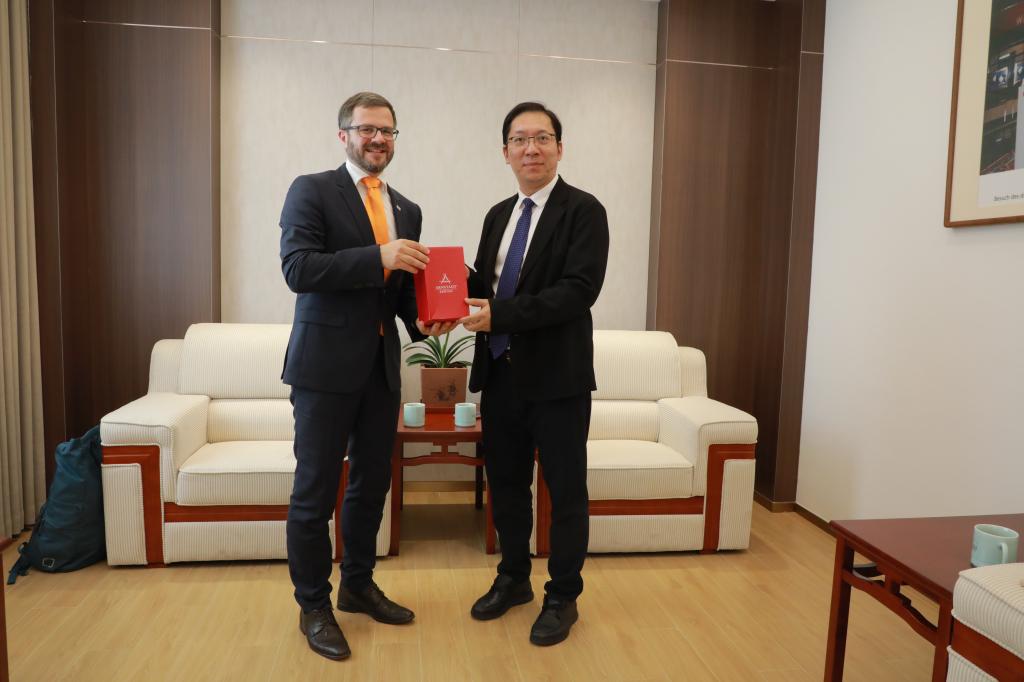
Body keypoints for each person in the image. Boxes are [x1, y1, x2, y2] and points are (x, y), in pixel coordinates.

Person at [279, 91, 455, 661]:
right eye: (367, 129)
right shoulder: (311, 190)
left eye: (387, 131)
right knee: (314, 492)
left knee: (372, 484)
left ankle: (357, 584)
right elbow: (298, 268)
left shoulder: (407, 208)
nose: (378, 138)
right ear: (344, 136)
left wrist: (425, 320)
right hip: (323, 368)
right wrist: (379, 255)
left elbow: (398, 294)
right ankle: (313, 605)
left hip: (380, 369)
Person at [460, 101, 610, 646]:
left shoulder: (584, 211)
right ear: (505, 152)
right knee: (506, 486)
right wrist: (442, 282)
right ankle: (513, 578)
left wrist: (500, 314)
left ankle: (563, 595)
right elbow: (488, 284)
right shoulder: (498, 214)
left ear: (559, 148)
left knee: (565, 491)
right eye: (520, 140)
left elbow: (577, 291)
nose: (531, 149)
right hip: (501, 375)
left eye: (542, 138)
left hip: (558, 380)